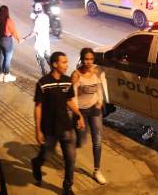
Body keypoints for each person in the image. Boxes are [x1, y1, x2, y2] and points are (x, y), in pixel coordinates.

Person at [31, 51, 85, 195]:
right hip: (49, 128)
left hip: (66, 127)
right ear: (55, 64)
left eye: (67, 62)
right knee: (46, 156)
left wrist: (79, 115)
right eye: (64, 62)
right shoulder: (43, 83)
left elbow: (69, 101)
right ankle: (36, 163)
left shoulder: (67, 81)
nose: (67, 65)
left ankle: (67, 187)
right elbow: (38, 107)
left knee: (70, 158)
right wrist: (38, 130)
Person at [72, 48, 107, 185]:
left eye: (91, 59)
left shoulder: (97, 71)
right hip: (80, 111)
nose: (88, 62)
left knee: (97, 141)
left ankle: (97, 170)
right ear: (81, 59)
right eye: (86, 59)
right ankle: (70, 156)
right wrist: (78, 115)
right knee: (80, 141)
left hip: (94, 110)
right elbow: (73, 96)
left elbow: (99, 88)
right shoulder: (76, 74)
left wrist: (100, 101)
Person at [21, 3, 51, 76]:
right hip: (46, 41)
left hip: (40, 42)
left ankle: (44, 72)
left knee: (40, 57)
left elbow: (33, 33)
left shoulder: (38, 20)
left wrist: (24, 39)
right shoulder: (46, 17)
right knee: (48, 56)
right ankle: (54, 70)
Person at [0, 5, 19, 83]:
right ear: (7, 12)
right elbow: (13, 32)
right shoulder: (9, 21)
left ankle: (1, 75)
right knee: (7, 59)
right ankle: (7, 75)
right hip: (7, 40)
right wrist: (19, 39)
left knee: (2, 57)